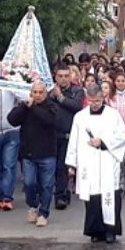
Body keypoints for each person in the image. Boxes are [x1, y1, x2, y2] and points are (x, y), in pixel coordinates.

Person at [65, 84, 125, 243]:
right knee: (92, 196)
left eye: (97, 101)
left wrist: (103, 142)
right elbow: (74, 140)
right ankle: (95, 231)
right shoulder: (80, 117)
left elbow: (121, 137)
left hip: (107, 160)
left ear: (103, 98)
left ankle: (110, 231)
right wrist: (72, 164)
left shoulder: (113, 115)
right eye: (91, 101)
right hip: (88, 161)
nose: (94, 104)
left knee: (109, 195)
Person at [7, 81, 57, 227]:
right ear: (31, 93)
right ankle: (33, 205)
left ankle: (43, 213)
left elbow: (49, 120)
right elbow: (12, 120)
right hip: (29, 153)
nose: (38, 95)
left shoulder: (51, 106)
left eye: (41, 92)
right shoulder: (25, 106)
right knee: (29, 183)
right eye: (35, 92)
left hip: (47, 153)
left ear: (46, 93)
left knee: (46, 185)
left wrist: (34, 107)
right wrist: (24, 106)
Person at [51, 63, 85, 210]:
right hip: (50, 135)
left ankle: (61, 196)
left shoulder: (77, 90)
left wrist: (60, 97)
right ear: (55, 76)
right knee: (49, 167)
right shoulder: (49, 90)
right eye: (60, 76)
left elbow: (76, 106)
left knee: (62, 167)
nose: (64, 79)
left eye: (66, 76)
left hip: (67, 135)